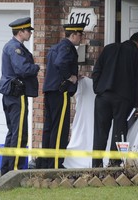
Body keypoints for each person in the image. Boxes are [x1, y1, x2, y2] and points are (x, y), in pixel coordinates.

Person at [92, 32, 138, 168]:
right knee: (119, 132)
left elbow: (97, 69)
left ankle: (96, 165)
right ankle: (114, 164)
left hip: (103, 97)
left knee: (100, 132)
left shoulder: (109, 48)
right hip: (123, 99)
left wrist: (97, 88)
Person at [39, 23, 86, 169]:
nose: (81, 38)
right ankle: (55, 163)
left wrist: (75, 76)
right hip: (61, 92)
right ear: (73, 35)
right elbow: (61, 63)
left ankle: (44, 162)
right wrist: (70, 77)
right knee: (60, 129)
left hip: (51, 91)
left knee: (49, 127)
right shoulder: (67, 48)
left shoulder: (55, 47)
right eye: (80, 35)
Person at [0, 17, 40, 175]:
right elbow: (22, 69)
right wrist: (36, 67)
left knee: (12, 132)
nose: (30, 33)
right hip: (17, 96)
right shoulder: (15, 48)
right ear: (21, 31)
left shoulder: (12, 46)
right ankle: (14, 171)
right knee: (19, 133)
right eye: (28, 30)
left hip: (11, 95)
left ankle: (6, 170)